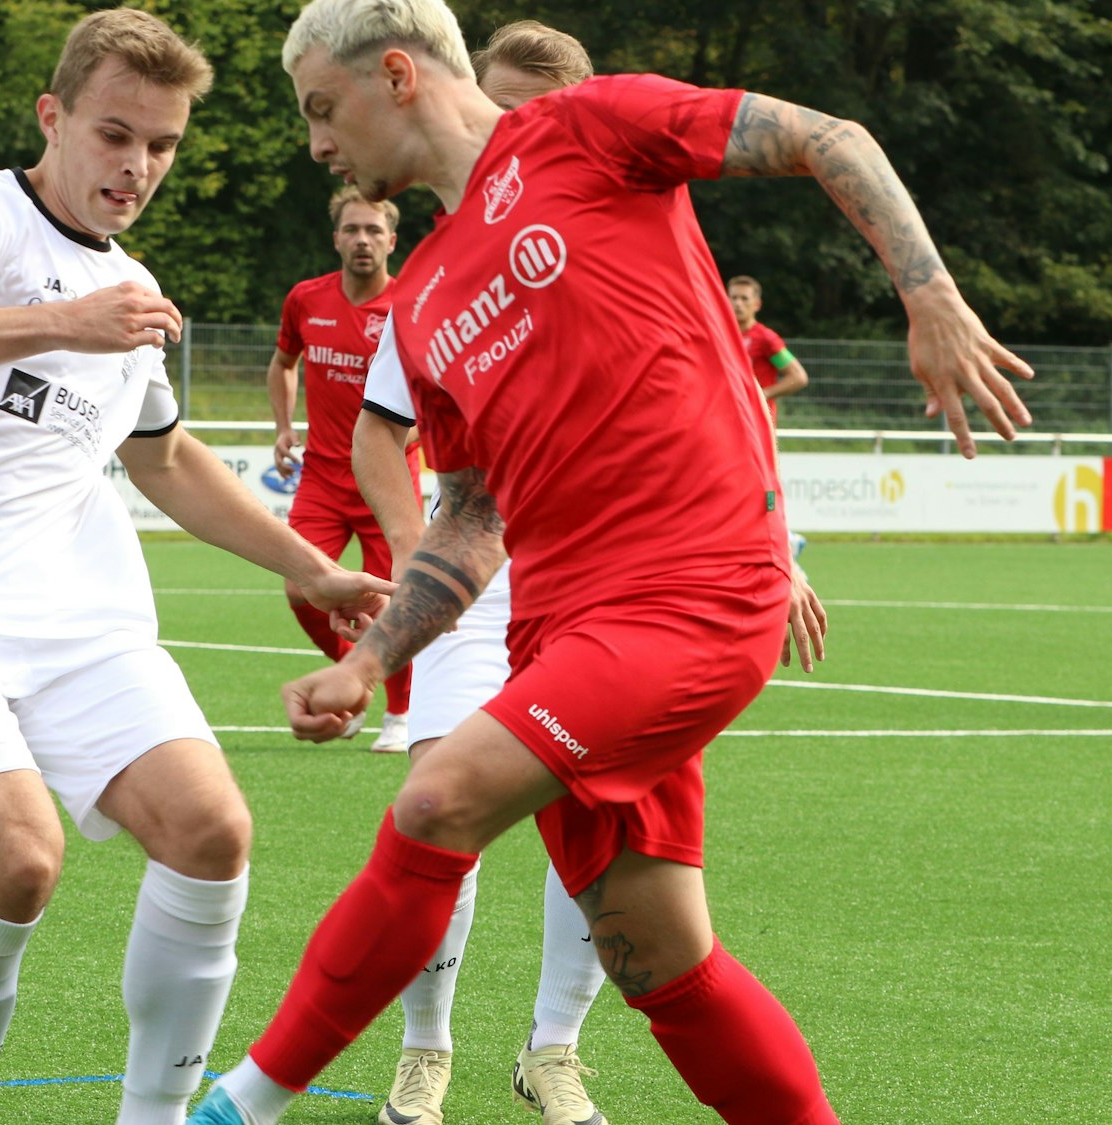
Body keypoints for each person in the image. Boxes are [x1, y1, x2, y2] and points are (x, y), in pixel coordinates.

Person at [193, 2, 1031, 1123]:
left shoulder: (587, 129)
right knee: (660, 965)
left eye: (319, 108)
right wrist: (373, 656)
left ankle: (233, 1108)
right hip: (558, 626)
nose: (314, 145)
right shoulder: (427, 298)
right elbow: (468, 517)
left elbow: (828, 138)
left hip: (695, 590)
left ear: (395, 74)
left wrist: (927, 293)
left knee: (436, 799)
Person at [0, 12, 390, 1125]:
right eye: (114, 134)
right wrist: (65, 323)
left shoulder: (133, 290)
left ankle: (155, 1117)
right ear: (54, 118)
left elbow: (168, 459)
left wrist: (312, 569)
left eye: (162, 145)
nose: (136, 166)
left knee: (212, 832)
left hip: (77, 620)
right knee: (21, 860)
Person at [347, 23, 829, 1125]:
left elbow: (718, 401)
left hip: (633, 599)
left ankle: (551, 1054)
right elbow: (395, 442)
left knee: (623, 895)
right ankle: (423, 1054)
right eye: (500, 113)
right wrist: (414, 587)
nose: (509, 142)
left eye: (527, 121)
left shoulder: (602, 193)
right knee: (441, 812)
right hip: (483, 604)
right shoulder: (430, 284)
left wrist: (768, 548)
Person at [267, 185, 415, 751]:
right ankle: (354, 672)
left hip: (388, 482)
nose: (362, 240)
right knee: (301, 587)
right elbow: (283, 363)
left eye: (374, 230)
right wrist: (284, 426)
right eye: (352, 229)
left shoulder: (413, 304)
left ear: (392, 241)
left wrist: (405, 435)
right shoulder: (306, 299)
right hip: (324, 477)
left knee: (394, 595)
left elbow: (435, 393)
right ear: (336, 239)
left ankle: (400, 715)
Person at [726, 275, 809, 426]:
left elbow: (798, 377)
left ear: (757, 304)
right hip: (727, 418)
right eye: (734, 298)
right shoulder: (721, 336)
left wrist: (763, 394)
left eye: (744, 299)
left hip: (757, 421)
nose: (738, 303)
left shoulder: (766, 339)